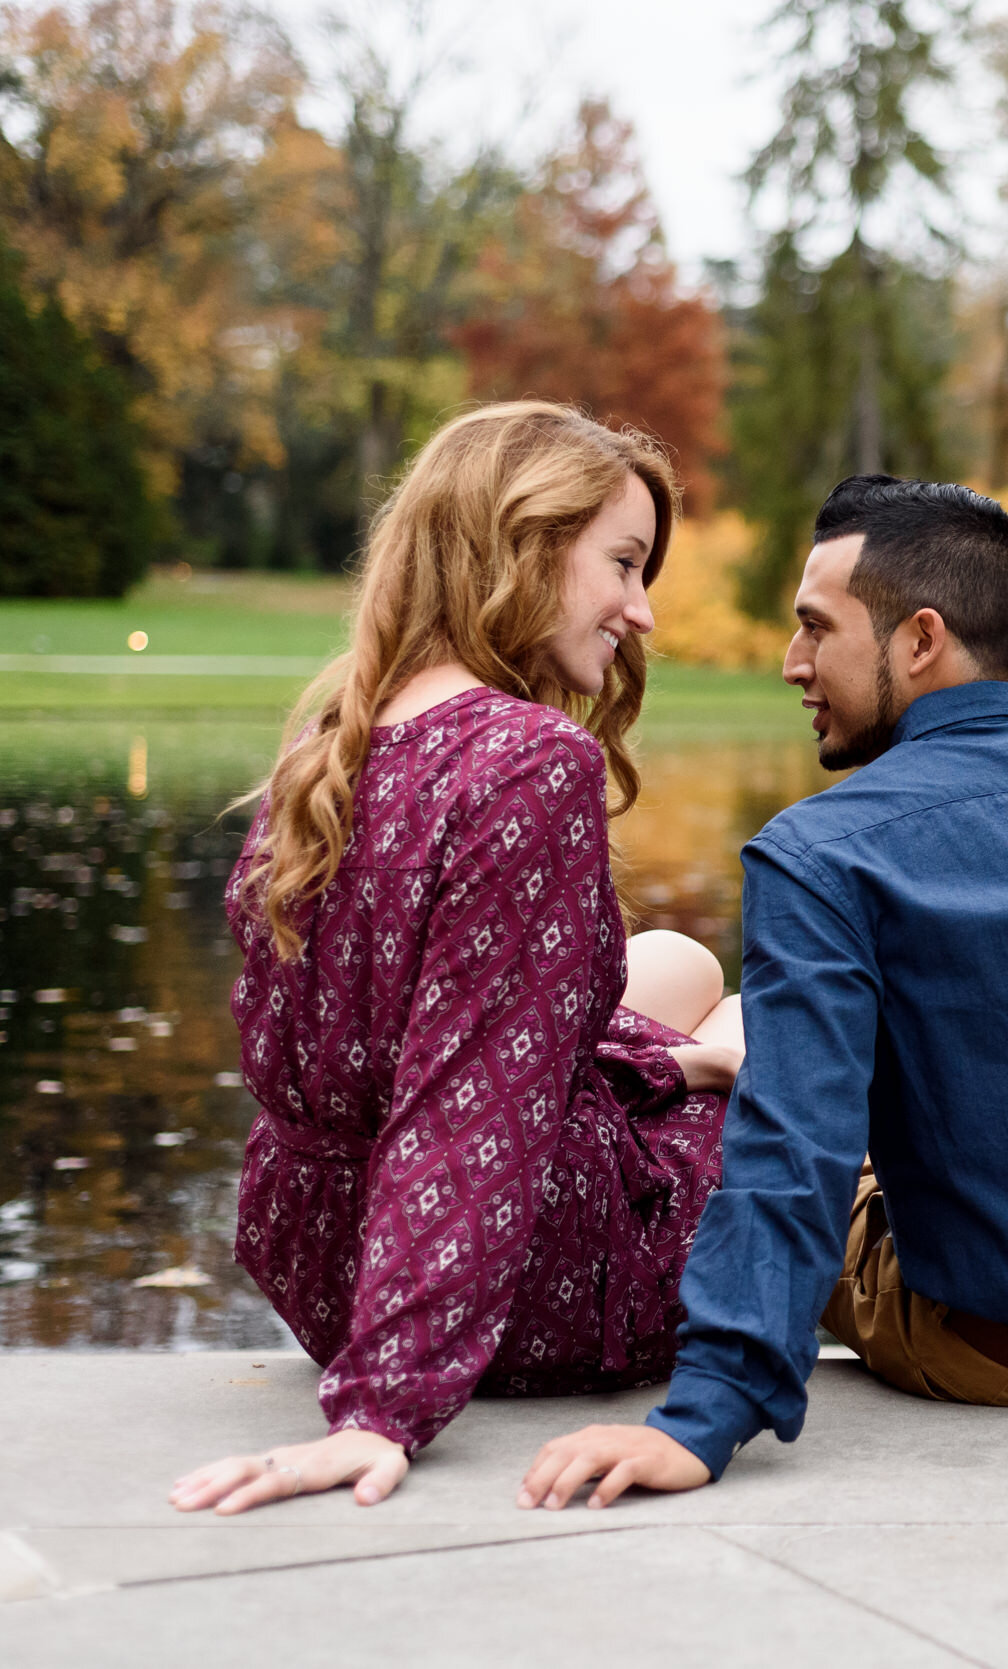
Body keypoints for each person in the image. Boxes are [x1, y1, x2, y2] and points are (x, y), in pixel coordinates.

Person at [517, 475, 1008, 1510]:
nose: (790, 663)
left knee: (790, 1098)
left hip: (1007, 1358)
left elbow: (793, 1151)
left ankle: (718, 1054)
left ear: (920, 640)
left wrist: (704, 1414)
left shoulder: (821, 854)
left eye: (815, 629)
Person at [172, 402, 745, 1517]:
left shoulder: (341, 731)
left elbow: (351, 1043)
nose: (644, 609)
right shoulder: (533, 760)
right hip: (530, 1277)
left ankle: (695, 1062)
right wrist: (384, 1404)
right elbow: (469, 1104)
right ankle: (718, 1066)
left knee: (672, 960)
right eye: (623, 563)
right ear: (524, 547)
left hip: (313, 1253)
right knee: (789, 1029)